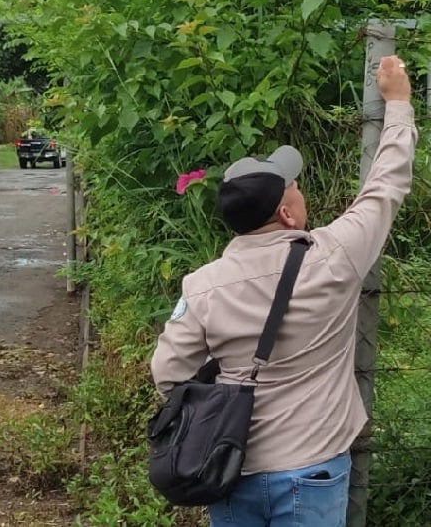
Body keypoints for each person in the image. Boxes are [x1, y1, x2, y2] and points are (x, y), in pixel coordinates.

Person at [150, 55, 417, 527]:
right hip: (313, 468)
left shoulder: (203, 285)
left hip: (230, 469)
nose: (300, 189)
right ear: (287, 214)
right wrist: (398, 103)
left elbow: (169, 373)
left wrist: (225, 388)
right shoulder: (335, 256)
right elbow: (386, 186)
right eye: (294, 186)